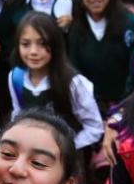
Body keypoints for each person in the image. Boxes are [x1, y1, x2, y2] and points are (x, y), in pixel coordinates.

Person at [9, 12, 103, 150]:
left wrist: (65, 149)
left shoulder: (73, 83)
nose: (33, 51)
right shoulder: (16, 78)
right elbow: (17, 114)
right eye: (25, 44)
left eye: (42, 43)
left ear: (55, 44)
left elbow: (94, 127)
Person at [68, 0, 134, 114]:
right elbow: (74, 75)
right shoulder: (73, 29)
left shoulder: (131, 24)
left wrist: (123, 109)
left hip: (128, 109)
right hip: (87, 111)